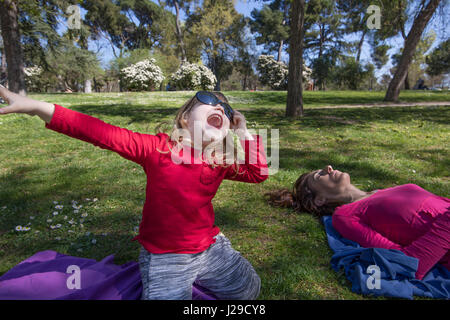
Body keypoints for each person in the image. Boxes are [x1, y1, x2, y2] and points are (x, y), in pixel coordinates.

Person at [0, 85, 268, 300]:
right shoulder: (156, 149)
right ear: (185, 118)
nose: (220, 107)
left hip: (210, 250)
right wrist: (36, 107)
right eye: (210, 102)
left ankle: (196, 280)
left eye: (226, 109)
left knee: (249, 290)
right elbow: (98, 132)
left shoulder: (218, 161)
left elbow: (258, 174)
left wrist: (244, 132)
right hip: (167, 257)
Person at [266, 165, 449, 280]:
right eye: (319, 175)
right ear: (319, 200)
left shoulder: (382, 191)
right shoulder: (345, 216)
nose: (328, 168)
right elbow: (410, 263)